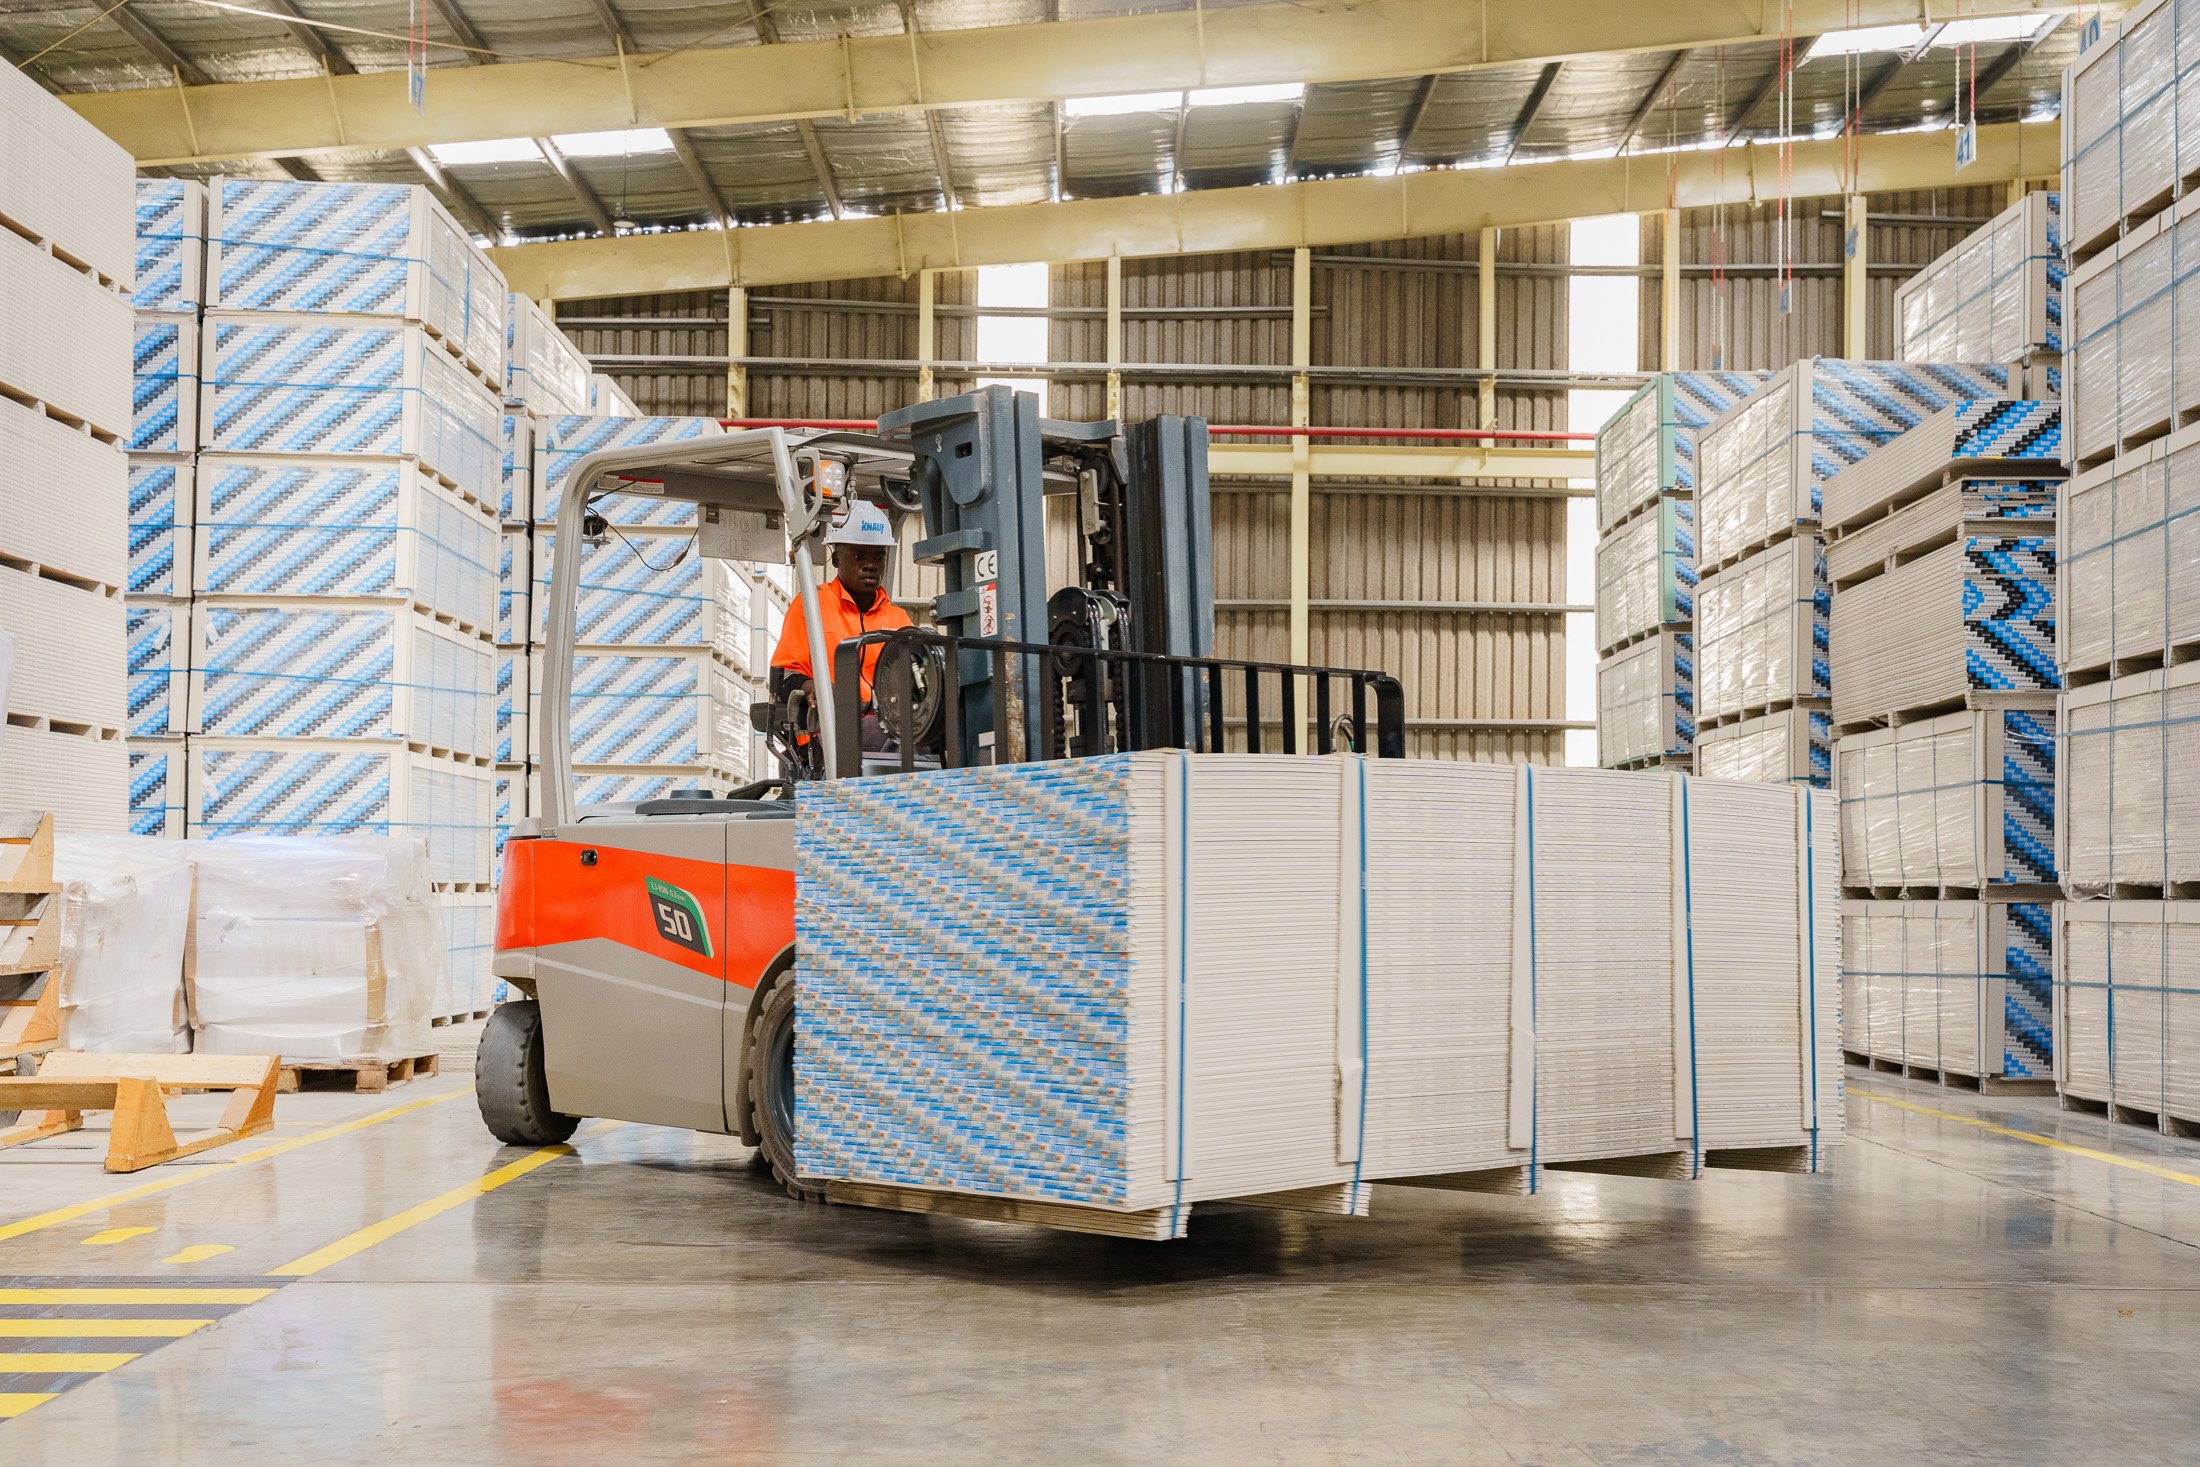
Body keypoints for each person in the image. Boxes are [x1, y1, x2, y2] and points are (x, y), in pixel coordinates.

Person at [769, 501, 912, 740]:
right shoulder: (811, 606)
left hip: (888, 731)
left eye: (878, 557)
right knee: (883, 735)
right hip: (826, 734)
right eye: (859, 555)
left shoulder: (899, 620)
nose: (870, 565)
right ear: (836, 559)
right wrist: (811, 687)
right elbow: (784, 676)